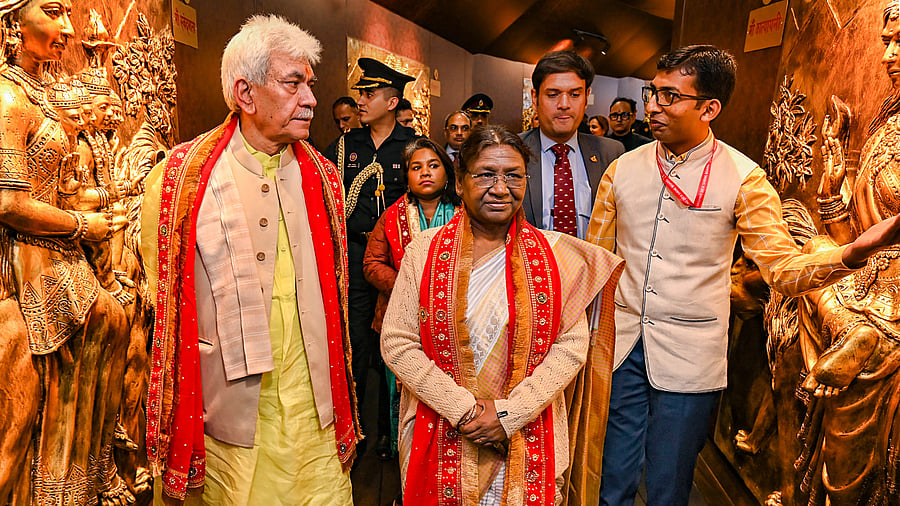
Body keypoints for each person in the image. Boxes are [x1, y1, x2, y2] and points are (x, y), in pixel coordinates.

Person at [587, 44, 900, 506]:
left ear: (709, 108)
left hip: (689, 355)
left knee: (669, 486)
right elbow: (599, 259)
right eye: (653, 93)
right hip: (622, 347)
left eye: (670, 97)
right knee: (611, 479)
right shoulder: (622, 169)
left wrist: (854, 251)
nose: (653, 106)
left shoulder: (744, 178)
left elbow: (780, 269)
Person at [141, 15, 359, 504]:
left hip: (311, 415)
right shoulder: (181, 178)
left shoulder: (323, 178)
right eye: (293, 83)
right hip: (224, 417)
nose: (310, 99)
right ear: (245, 92)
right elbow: (162, 300)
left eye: (310, 84)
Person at [381, 124, 624, 505]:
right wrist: (465, 411)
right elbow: (398, 342)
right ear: (460, 183)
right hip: (443, 427)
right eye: (486, 175)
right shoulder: (424, 252)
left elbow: (571, 347)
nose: (500, 188)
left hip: (528, 431)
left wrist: (510, 414)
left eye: (513, 176)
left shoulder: (554, 255)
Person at [325, 57, 417, 460]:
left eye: (370, 93)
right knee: (358, 344)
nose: (361, 100)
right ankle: (357, 429)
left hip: (401, 260)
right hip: (355, 256)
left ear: (392, 100)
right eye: (361, 92)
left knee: (397, 345)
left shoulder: (412, 146)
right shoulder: (346, 146)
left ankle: (391, 432)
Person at [363, 138, 461, 465]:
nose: (425, 173)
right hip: (400, 319)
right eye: (416, 168)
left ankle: (444, 447)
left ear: (447, 173)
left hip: (453, 319)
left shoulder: (463, 215)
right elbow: (372, 263)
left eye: (433, 166)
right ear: (406, 177)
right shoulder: (392, 216)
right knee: (400, 386)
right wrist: (409, 287)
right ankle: (401, 447)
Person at [520, 51, 624, 240]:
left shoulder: (610, 153)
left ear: (586, 97)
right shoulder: (514, 151)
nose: (564, 104)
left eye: (575, 94)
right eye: (553, 95)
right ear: (535, 98)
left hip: (592, 266)